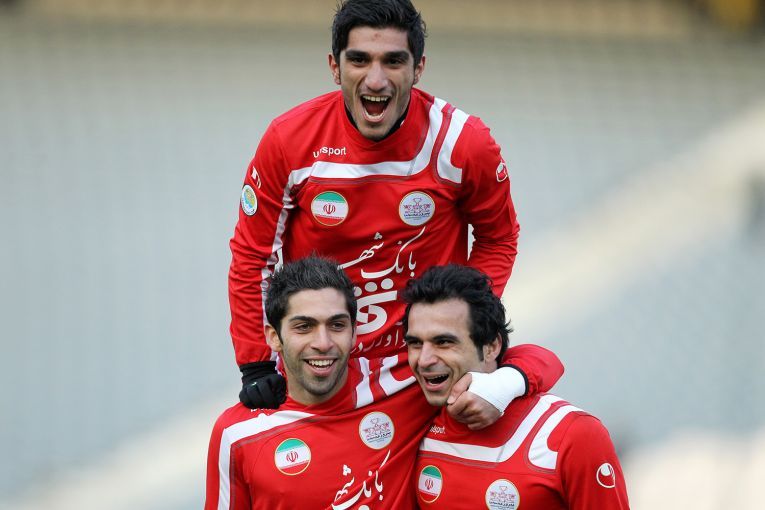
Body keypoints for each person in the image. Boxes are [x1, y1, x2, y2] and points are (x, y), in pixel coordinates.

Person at [229, 0, 542, 421]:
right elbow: (253, 257)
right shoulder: (289, 141)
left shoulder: (462, 143)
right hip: (324, 364)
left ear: (418, 68)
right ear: (335, 67)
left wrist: (458, 323)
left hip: (419, 370)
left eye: (393, 61)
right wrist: (257, 363)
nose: (376, 80)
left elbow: (498, 238)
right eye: (359, 60)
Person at [206, 257, 562, 509]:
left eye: (336, 325)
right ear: (273, 336)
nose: (323, 343)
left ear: (355, 331)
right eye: (304, 327)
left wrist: (508, 382)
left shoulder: (402, 384)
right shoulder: (237, 434)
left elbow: (539, 358)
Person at [403, 265, 630, 509]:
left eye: (444, 342)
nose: (424, 360)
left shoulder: (572, 436)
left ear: (491, 346)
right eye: (415, 343)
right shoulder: (411, 425)